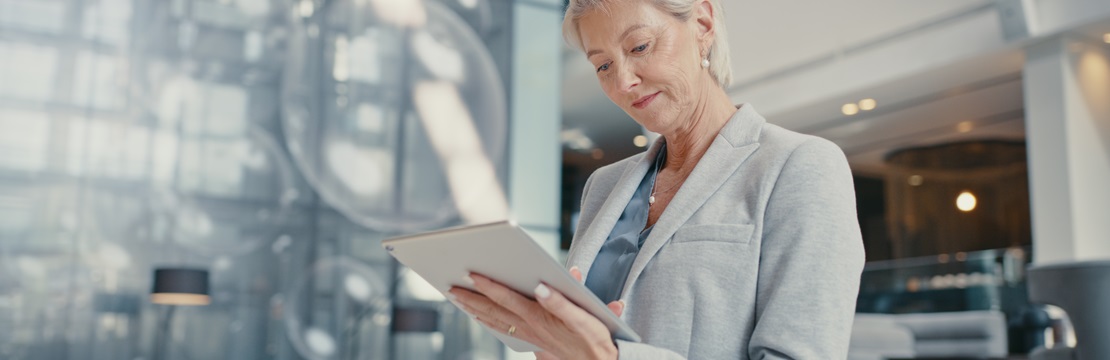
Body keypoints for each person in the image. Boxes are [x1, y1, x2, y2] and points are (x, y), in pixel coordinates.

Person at [449, 0, 865, 358]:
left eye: (640, 46)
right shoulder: (603, 187)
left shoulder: (801, 167)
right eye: (604, 65)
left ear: (703, 24)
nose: (623, 81)